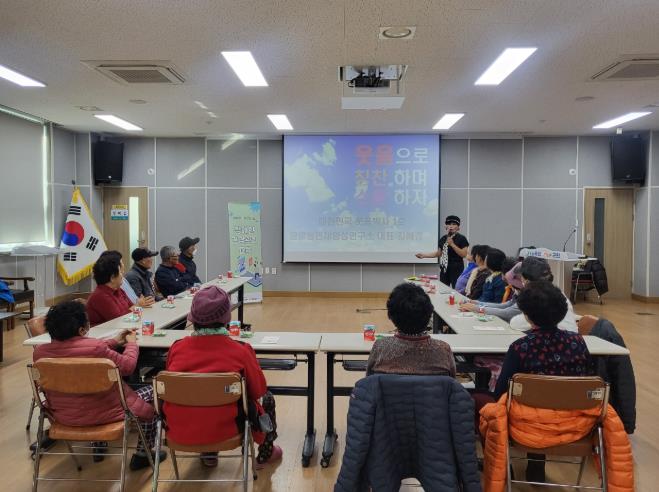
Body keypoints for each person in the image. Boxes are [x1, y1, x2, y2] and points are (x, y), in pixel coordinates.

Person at [33, 301, 166, 470]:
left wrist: (114, 341)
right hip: (107, 412)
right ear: (82, 330)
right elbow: (128, 367)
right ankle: (143, 454)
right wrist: (132, 343)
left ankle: (100, 445)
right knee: (154, 391)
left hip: (62, 417)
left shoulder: (40, 353)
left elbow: (82, 350)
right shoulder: (96, 348)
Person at [164, 286, 282, 468]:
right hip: (228, 428)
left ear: (193, 317)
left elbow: (172, 385)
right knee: (267, 398)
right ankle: (266, 452)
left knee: (198, 395)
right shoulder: (241, 350)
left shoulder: (177, 348)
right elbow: (258, 390)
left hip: (180, 429)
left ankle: (208, 452)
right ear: (227, 318)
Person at [492, 281, 594, 482]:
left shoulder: (521, 347)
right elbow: (587, 380)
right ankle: (536, 466)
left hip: (529, 426)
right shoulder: (578, 342)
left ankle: (505, 465)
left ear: (526, 316)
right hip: (575, 424)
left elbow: (500, 393)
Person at [367, 283, 456, 376]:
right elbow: (451, 381)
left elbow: (370, 379)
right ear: (429, 314)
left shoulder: (380, 347)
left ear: (391, 316)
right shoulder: (443, 350)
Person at [415, 215, 469, 288]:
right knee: (443, 288)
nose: (451, 226)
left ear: (458, 227)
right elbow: (439, 253)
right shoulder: (443, 238)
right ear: (446, 226)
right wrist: (424, 255)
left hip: (456, 268)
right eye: (449, 224)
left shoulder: (462, 238)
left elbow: (464, 254)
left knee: (456, 289)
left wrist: (452, 244)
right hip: (444, 268)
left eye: (454, 224)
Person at [86, 255, 134, 327]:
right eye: (120, 272)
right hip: (103, 332)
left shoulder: (118, 289)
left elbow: (132, 306)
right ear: (112, 278)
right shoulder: (100, 296)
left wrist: (133, 308)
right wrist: (133, 308)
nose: (122, 275)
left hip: (120, 328)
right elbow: (119, 320)